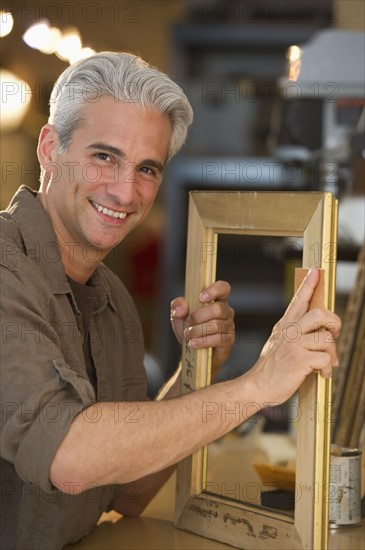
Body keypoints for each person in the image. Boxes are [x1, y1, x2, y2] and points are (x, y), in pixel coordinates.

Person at [0, 52, 341, 550]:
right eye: (104, 157)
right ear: (51, 148)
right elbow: (71, 458)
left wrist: (194, 370)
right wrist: (259, 385)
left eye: (147, 169)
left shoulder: (111, 297)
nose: (124, 191)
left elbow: (128, 492)